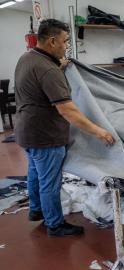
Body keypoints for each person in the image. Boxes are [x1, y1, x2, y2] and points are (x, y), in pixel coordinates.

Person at [14, 19, 115, 237]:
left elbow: (39, 85)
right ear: (52, 41)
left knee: (35, 173)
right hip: (44, 136)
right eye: (65, 41)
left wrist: (59, 68)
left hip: (26, 131)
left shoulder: (28, 58)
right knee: (50, 182)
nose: (66, 46)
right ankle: (55, 224)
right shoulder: (48, 70)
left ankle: (36, 210)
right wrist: (99, 131)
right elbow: (68, 110)